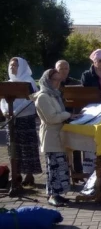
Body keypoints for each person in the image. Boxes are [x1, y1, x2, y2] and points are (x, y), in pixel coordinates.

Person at [33, 69, 81, 206]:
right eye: (55, 79)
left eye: (60, 80)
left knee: (61, 166)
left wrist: (70, 116)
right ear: (47, 80)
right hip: (51, 136)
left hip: (59, 134)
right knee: (53, 167)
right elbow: (52, 118)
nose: (58, 83)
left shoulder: (54, 95)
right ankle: (52, 195)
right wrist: (68, 115)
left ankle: (58, 194)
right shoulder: (43, 96)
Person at [0, 57, 42, 188]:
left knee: (27, 147)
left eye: (15, 65)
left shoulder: (29, 82)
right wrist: (5, 111)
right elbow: (2, 100)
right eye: (11, 65)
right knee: (13, 147)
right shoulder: (7, 83)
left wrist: (15, 112)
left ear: (22, 66)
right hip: (11, 119)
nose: (13, 67)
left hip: (25, 118)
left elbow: (29, 99)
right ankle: (16, 173)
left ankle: (29, 175)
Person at [55, 60, 83, 177]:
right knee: (61, 146)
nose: (64, 71)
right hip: (58, 117)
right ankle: (64, 171)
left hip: (74, 117)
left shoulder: (76, 83)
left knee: (76, 146)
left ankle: (78, 172)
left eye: (66, 68)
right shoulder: (53, 84)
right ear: (56, 70)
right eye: (61, 68)